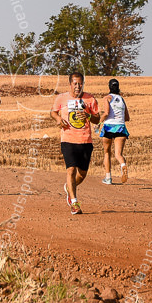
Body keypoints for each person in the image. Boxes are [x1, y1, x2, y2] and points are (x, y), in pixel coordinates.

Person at [50, 72, 100, 215]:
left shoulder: (90, 99)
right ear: (70, 84)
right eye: (75, 83)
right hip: (68, 139)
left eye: (80, 83)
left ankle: (69, 188)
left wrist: (88, 115)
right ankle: (74, 202)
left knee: (82, 174)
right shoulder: (61, 98)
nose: (78, 86)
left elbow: (97, 119)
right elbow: (53, 112)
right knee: (71, 169)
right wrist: (58, 120)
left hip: (85, 140)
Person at [100, 78, 131, 185]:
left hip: (109, 127)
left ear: (109, 87)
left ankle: (108, 178)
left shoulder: (107, 98)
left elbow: (106, 113)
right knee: (118, 154)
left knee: (107, 152)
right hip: (121, 127)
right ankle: (123, 165)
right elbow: (127, 117)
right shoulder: (122, 99)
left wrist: (98, 123)